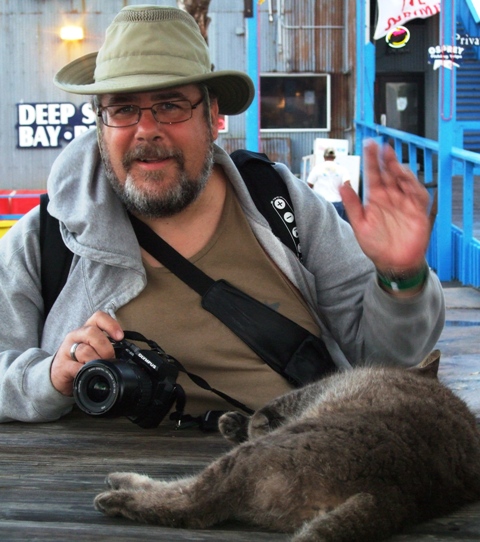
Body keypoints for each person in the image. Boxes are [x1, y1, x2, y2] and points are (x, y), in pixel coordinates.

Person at [0, 5, 445, 425]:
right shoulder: (47, 240)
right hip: (77, 490)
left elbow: (389, 358)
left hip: (300, 469)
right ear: (101, 124)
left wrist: (400, 278)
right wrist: (49, 378)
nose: (146, 128)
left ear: (213, 116)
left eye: (171, 104)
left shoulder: (281, 204)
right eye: (123, 108)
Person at [307, 147, 351, 221]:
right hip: (337, 204)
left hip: (322, 203)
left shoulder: (317, 168)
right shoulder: (342, 169)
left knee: (322, 227)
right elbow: (348, 185)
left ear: (324, 157)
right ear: (334, 157)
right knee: (338, 227)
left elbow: (309, 186)